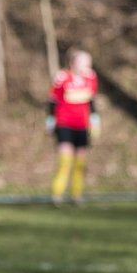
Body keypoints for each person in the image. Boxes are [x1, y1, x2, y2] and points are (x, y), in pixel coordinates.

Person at [46, 48, 101, 205]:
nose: (87, 65)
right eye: (83, 61)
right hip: (64, 124)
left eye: (88, 62)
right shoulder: (62, 77)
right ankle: (57, 194)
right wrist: (50, 120)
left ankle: (77, 195)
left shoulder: (91, 77)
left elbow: (91, 100)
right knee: (65, 161)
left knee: (80, 162)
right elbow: (52, 100)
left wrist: (95, 120)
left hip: (82, 125)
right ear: (73, 63)